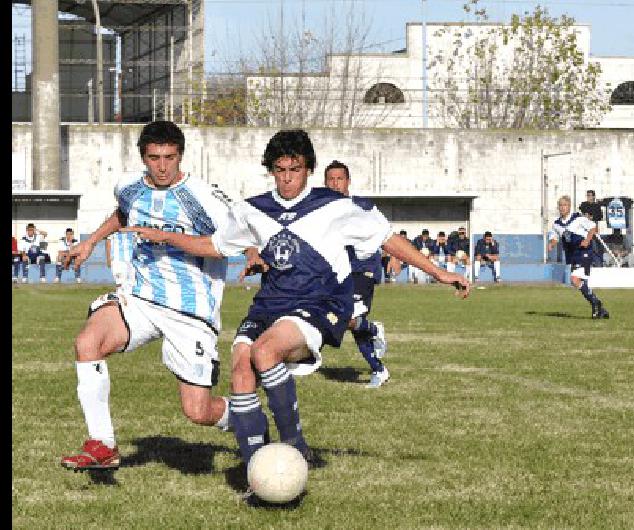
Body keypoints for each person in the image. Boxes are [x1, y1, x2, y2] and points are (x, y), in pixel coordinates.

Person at [122, 129, 470, 489]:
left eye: (295, 169)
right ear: (270, 170)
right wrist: (167, 237)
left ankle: (295, 447)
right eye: (280, 170)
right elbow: (215, 245)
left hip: (319, 303)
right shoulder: (252, 210)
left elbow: (389, 240)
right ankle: (257, 472)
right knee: (241, 369)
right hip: (270, 304)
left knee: (265, 351)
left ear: (309, 169)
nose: (287, 178)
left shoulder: (335, 206)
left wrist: (440, 272)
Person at [60, 120, 234, 471]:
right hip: (139, 297)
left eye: (170, 157)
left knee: (197, 411)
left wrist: (167, 237)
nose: (162, 166)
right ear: (144, 157)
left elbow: (227, 245)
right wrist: (90, 242)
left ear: (180, 156)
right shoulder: (128, 187)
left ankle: (248, 419)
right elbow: (123, 214)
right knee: (87, 343)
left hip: (190, 310)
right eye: (154, 158)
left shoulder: (201, 197)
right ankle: (102, 444)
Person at [323, 160, 390, 388]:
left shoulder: (362, 206)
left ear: (348, 181)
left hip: (363, 269)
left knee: (347, 318)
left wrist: (397, 258)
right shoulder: (321, 211)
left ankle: (374, 329)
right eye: (330, 179)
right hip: (339, 273)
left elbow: (386, 232)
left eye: (339, 178)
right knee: (346, 321)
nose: (334, 183)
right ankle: (378, 369)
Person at [547, 196, 609, 319]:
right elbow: (555, 237)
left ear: (569, 206)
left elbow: (593, 227)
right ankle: (598, 307)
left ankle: (596, 305)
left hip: (585, 251)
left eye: (565, 205)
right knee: (580, 283)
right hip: (572, 254)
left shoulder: (578, 218)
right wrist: (552, 244)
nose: (562, 207)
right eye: (560, 205)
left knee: (574, 279)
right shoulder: (556, 224)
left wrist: (587, 240)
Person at [579, 190, 605, 266]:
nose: (589, 197)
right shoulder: (584, 204)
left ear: (593, 196)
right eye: (588, 195)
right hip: (585, 229)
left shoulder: (597, 206)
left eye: (590, 195)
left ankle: (597, 263)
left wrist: (591, 217)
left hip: (593, 229)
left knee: (594, 245)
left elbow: (600, 216)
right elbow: (581, 213)